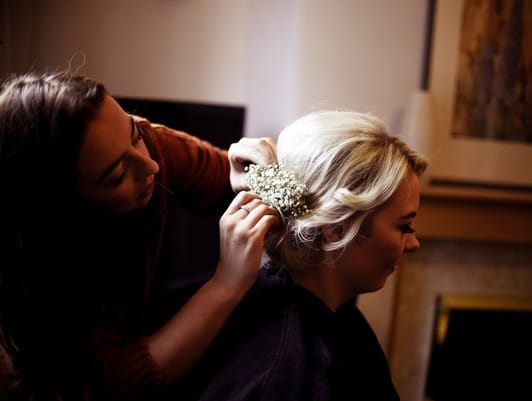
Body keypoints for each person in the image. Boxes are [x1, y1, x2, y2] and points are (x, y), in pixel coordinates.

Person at [0, 72, 279, 400]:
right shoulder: (29, 276)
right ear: (60, 206)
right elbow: (109, 387)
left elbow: (222, 172)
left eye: (135, 134)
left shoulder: (139, 145)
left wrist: (244, 165)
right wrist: (225, 285)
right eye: (117, 175)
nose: (150, 165)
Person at [178, 110, 427, 401]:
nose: (413, 243)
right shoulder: (285, 370)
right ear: (336, 229)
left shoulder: (320, 313)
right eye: (404, 226)